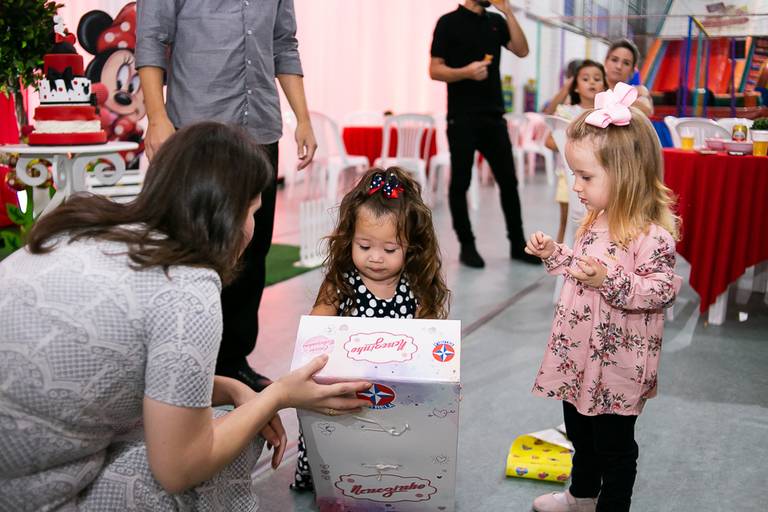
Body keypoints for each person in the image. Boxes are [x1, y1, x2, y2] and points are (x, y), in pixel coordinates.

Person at [0, 123, 369, 511]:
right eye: (252, 212)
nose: (253, 227)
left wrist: (230, 387)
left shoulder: (89, 225)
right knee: (237, 436)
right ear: (228, 217)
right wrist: (277, 396)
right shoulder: (186, 289)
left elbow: (118, 372)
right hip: (23, 496)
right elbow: (179, 468)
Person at [135, 0, 317, 392]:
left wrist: (303, 118)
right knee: (192, 250)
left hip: (260, 130)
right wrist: (157, 117)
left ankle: (232, 362)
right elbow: (150, 39)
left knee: (253, 250)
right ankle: (181, 363)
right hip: (197, 131)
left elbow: (284, 45)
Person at [524, 83, 682, 512]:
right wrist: (555, 253)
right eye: (574, 174)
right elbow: (582, 268)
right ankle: (581, 496)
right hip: (579, 353)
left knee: (614, 447)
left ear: (626, 174)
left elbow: (661, 290)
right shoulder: (595, 219)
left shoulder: (652, 236)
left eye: (586, 176)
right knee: (579, 432)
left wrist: (608, 279)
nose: (575, 185)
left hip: (617, 366)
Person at [292, 167, 451, 491]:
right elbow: (316, 329)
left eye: (390, 250)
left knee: (391, 452)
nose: (376, 258)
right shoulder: (340, 282)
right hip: (347, 393)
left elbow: (432, 339)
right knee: (344, 453)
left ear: (411, 246)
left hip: (397, 397)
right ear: (349, 239)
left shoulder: (415, 286)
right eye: (364, 246)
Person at [429, 0, 539, 268]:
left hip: (494, 117)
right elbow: (434, 69)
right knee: (461, 183)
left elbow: (522, 50)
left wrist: (508, 12)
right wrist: (465, 72)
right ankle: (467, 245)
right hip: (461, 117)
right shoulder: (448, 23)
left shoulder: (496, 22)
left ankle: (517, 244)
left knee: (508, 181)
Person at [544, 59, 609, 243]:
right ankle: (559, 256)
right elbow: (549, 141)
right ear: (576, 87)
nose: (592, 82)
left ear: (604, 86)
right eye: (585, 79)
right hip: (568, 177)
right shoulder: (566, 112)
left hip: (602, 178)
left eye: (597, 78)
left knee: (599, 224)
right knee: (567, 224)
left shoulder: (608, 113)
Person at [604, 38, 654, 117]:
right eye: (614, 60)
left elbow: (647, 110)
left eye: (626, 63)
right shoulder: (591, 88)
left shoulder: (638, 93)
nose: (619, 66)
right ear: (606, 61)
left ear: (633, 70)